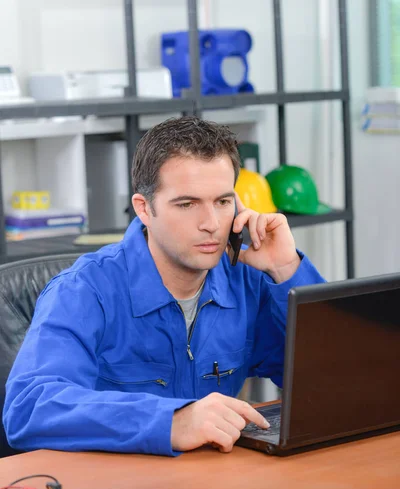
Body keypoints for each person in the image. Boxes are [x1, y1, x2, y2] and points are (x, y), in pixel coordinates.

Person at [3, 116, 324, 456]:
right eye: (187, 204)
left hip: (212, 484)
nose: (211, 224)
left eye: (223, 201)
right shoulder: (84, 290)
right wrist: (170, 421)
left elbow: (334, 377)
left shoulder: (246, 280)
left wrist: (286, 268)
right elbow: (29, 408)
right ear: (144, 209)